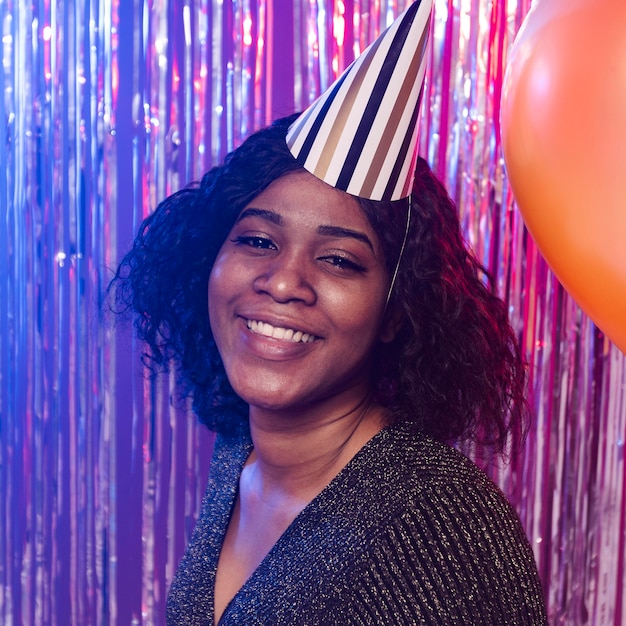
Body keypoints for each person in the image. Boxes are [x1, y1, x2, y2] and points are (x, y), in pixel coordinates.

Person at [109, 2, 547, 624]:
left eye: (339, 260)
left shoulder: (441, 528)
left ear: (397, 311)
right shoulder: (241, 452)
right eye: (258, 241)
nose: (284, 281)